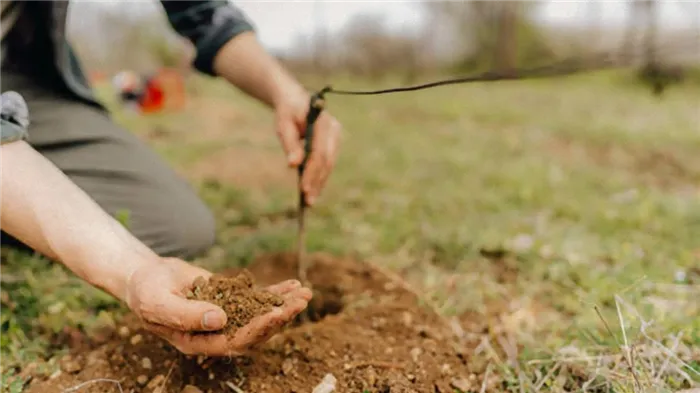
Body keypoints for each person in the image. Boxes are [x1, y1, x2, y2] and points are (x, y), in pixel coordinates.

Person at [0, 1, 342, 356]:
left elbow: (200, 9)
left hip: (22, 76)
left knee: (177, 225)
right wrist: (131, 271)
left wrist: (284, 91)